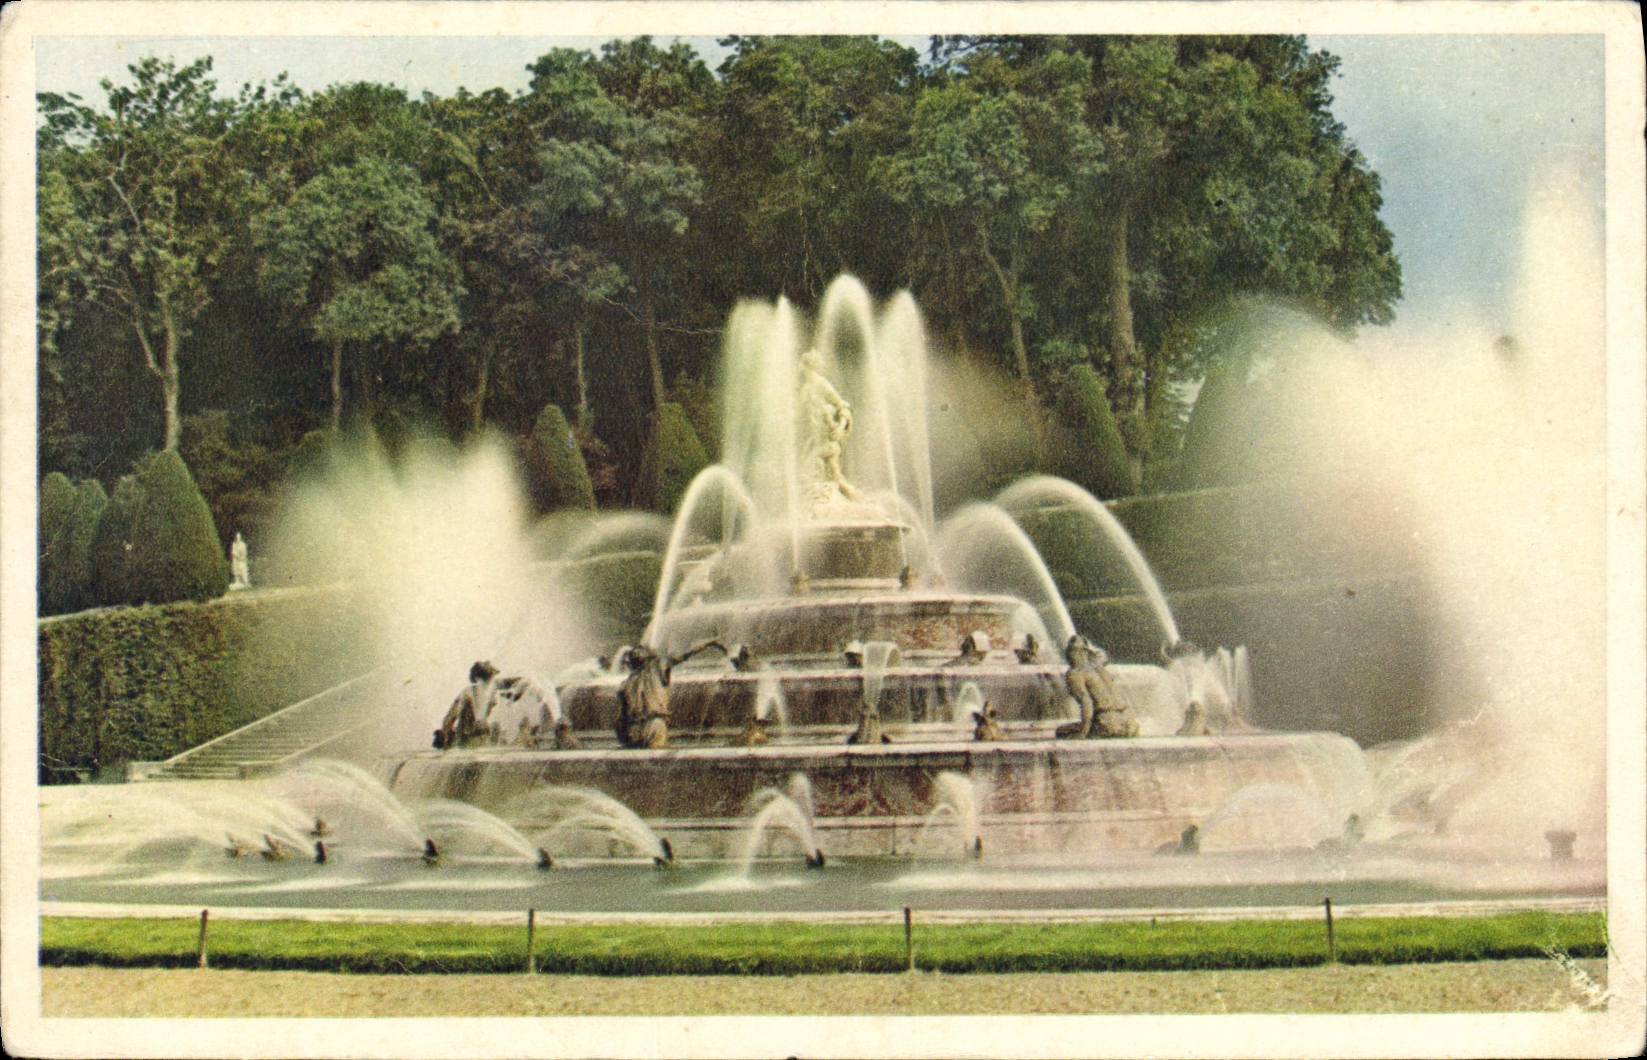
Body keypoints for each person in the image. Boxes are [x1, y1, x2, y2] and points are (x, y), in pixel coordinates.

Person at [614, 641, 724, 749]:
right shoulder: (657, 667)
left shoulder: (626, 684)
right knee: (658, 761)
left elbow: (619, 720)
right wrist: (709, 643)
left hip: (633, 728)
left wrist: (625, 741)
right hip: (654, 724)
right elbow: (686, 652)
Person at [1063, 636, 1138, 739]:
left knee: (1062, 731)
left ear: (1083, 653)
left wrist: (1082, 733)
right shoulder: (1101, 670)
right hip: (1130, 724)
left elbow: (1086, 703)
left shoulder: (1075, 673)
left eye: (1072, 651)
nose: (1067, 655)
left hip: (1107, 724)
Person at [438, 661, 498, 749]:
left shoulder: (489, 695)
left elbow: (449, 718)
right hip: (468, 738)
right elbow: (451, 717)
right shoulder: (468, 693)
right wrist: (445, 734)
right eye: (488, 677)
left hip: (480, 737)